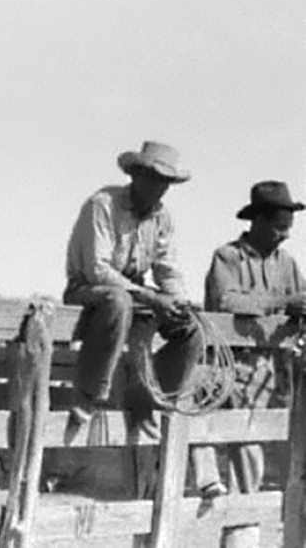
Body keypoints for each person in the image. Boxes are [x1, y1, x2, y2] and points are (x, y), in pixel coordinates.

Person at [63, 141, 204, 434]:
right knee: (116, 301)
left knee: (191, 328)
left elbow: (168, 268)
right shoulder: (102, 204)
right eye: (153, 178)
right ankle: (90, 392)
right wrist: (152, 297)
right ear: (135, 174)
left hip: (135, 294)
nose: (159, 187)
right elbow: (98, 270)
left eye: (165, 181)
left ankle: (153, 394)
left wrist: (178, 300)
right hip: (89, 289)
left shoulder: (161, 217)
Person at [191, 180, 306, 499]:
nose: (285, 235)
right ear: (258, 221)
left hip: (269, 371)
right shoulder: (227, 257)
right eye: (279, 228)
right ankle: (220, 494)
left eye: (288, 228)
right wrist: (282, 302)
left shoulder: (287, 263)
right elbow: (227, 301)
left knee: (255, 443)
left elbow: (301, 297)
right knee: (229, 431)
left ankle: (248, 516)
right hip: (227, 362)